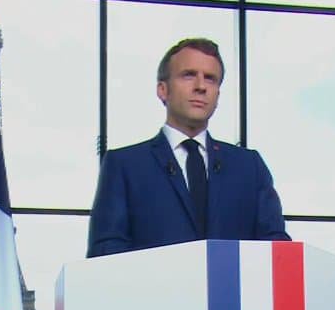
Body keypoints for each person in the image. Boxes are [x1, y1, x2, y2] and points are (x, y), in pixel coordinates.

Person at [87, 37, 290, 258]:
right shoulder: (125, 165)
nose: (201, 87)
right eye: (189, 75)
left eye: (210, 79)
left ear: (218, 95)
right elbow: (105, 253)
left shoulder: (250, 167)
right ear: (163, 90)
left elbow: (277, 251)